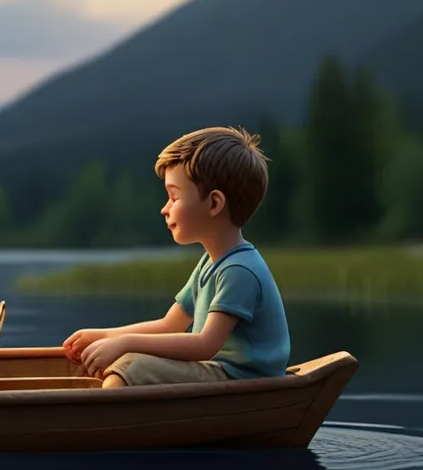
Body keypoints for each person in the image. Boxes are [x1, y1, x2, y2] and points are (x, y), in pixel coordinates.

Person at [63, 127, 290, 388]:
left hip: (241, 378)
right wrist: (103, 335)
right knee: (128, 361)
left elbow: (205, 345)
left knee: (131, 366)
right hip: (219, 372)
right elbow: (170, 324)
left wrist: (125, 343)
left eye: (174, 197)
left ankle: (103, 423)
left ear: (214, 204)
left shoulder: (239, 271)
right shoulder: (211, 263)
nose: (165, 209)